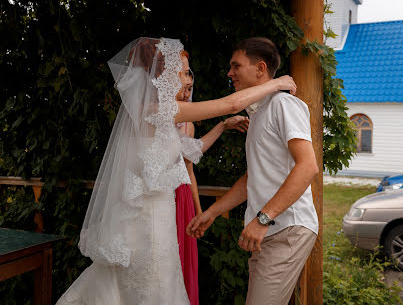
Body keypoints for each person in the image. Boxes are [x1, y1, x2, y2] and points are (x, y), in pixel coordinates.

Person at [56, 37, 296, 305]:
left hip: (162, 218)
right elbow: (228, 103)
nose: (187, 79)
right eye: (183, 72)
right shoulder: (157, 110)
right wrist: (277, 83)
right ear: (165, 76)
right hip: (146, 223)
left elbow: (189, 152)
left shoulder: (162, 119)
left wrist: (222, 127)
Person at [187, 37, 319, 305]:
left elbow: (308, 167)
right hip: (269, 229)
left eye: (236, 66)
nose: (229, 73)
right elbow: (253, 178)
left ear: (260, 69)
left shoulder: (283, 104)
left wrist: (262, 219)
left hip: (285, 227)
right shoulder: (258, 114)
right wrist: (211, 212)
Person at [174, 71, 249, 305]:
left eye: (190, 89)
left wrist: (199, 212)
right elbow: (231, 103)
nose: (187, 94)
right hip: (159, 196)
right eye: (183, 87)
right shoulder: (154, 112)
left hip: (182, 196)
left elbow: (189, 169)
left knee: (181, 259)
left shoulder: (187, 125)